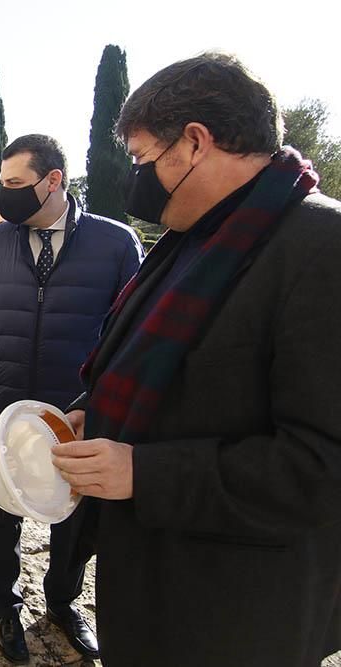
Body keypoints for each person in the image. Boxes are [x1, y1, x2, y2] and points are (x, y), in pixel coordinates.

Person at [51, 52, 341, 667]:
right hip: (151, 590)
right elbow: (145, 366)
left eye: (141, 159)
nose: (136, 180)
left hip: (236, 617)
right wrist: (90, 412)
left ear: (195, 142)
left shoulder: (324, 249)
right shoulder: (196, 238)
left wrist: (145, 473)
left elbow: (323, 466)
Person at [0, 134, 142, 663]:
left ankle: (63, 603)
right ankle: (5, 607)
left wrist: (94, 392)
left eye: (16, 184)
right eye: (2, 185)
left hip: (79, 403)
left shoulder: (114, 243)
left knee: (74, 509)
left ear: (54, 180)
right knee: (2, 507)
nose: (6, 196)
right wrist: (4, 361)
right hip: (3, 399)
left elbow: (128, 329)